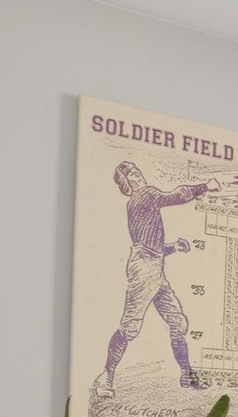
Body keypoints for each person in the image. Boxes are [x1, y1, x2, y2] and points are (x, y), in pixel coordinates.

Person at [92, 161, 220, 399]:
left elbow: (150, 245)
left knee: (177, 322)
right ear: (126, 182)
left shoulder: (138, 201)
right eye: (131, 173)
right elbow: (177, 196)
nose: (137, 173)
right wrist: (206, 186)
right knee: (130, 327)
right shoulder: (145, 194)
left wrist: (173, 247)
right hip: (144, 270)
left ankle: (186, 375)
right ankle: (105, 377)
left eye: (137, 170)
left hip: (153, 267)